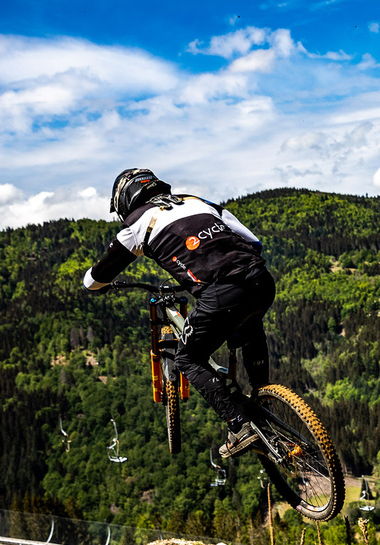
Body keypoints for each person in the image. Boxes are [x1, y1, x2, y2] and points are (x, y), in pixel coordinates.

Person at [83, 169, 276, 458]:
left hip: (221, 293)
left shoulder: (138, 224)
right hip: (261, 279)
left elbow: (94, 280)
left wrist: (97, 283)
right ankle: (265, 399)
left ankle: (239, 427)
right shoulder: (198, 202)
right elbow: (253, 242)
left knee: (188, 358)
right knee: (250, 324)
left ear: (125, 201)